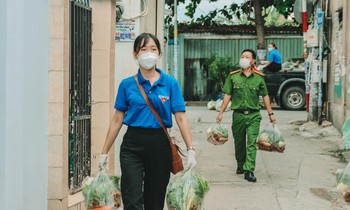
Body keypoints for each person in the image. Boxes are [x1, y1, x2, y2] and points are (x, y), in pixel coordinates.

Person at [98, 32, 196, 210]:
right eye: (143, 49)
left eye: (153, 49)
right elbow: (117, 119)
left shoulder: (170, 83)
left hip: (160, 145)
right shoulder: (127, 84)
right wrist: (104, 152)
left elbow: (181, 118)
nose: (148, 53)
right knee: (132, 200)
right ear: (135, 54)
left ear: (159, 53)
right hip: (132, 145)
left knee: (154, 201)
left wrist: (190, 150)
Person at [216, 49, 276, 183]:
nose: (243, 58)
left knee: (251, 143)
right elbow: (227, 95)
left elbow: (265, 96)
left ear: (253, 61)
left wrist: (270, 113)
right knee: (239, 143)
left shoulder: (259, 77)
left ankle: (249, 170)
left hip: (254, 115)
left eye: (247, 57)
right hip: (238, 115)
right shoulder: (233, 76)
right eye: (242, 56)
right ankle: (240, 163)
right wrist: (221, 113)